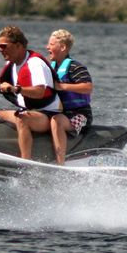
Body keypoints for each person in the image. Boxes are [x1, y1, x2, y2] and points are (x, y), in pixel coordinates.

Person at [0, 25, 62, 160]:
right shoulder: (12, 64)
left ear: (18, 45)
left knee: (22, 119)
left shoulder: (35, 63)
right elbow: (2, 83)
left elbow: (40, 92)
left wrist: (15, 89)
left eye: (3, 46)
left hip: (48, 114)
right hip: (29, 110)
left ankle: (25, 164)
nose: (0, 50)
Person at [46, 29, 93, 165]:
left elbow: (88, 87)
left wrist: (63, 86)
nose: (47, 47)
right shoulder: (50, 68)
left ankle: (60, 164)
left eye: (51, 44)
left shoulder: (75, 67)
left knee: (57, 121)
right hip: (61, 112)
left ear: (62, 47)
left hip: (80, 115)